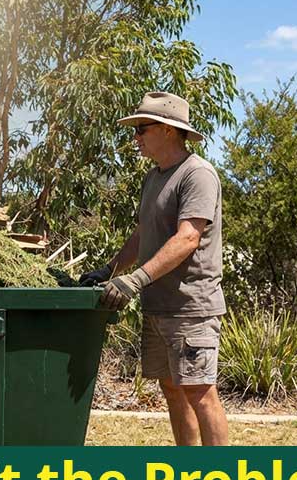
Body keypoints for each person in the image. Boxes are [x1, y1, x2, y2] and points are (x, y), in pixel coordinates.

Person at [80, 91, 229, 446]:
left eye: (142, 129)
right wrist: (110, 269)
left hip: (191, 307)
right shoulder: (154, 178)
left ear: (167, 130)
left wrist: (136, 279)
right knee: (173, 390)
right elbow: (144, 231)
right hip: (159, 306)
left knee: (200, 393)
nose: (136, 138)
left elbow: (188, 238)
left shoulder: (197, 175)